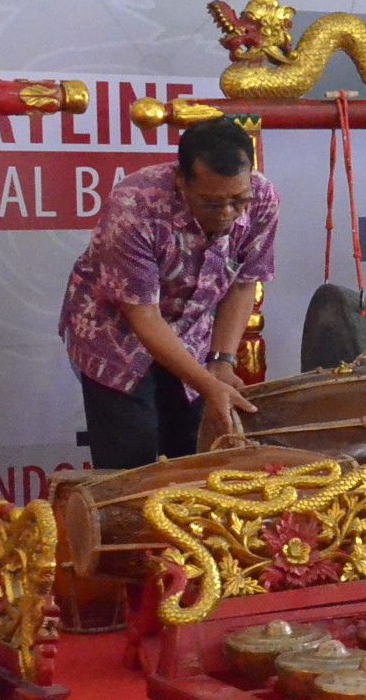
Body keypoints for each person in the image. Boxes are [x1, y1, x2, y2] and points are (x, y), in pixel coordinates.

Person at [58, 116, 276, 469]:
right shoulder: (133, 208)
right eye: (211, 202)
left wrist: (220, 362)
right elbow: (143, 315)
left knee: (191, 456)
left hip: (191, 332)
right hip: (116, 337)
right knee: (132, 464)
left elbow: (243, 283)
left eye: (238, 200)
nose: (228, 214)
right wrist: (208, 384)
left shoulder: (263, 198)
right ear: (181, 181)